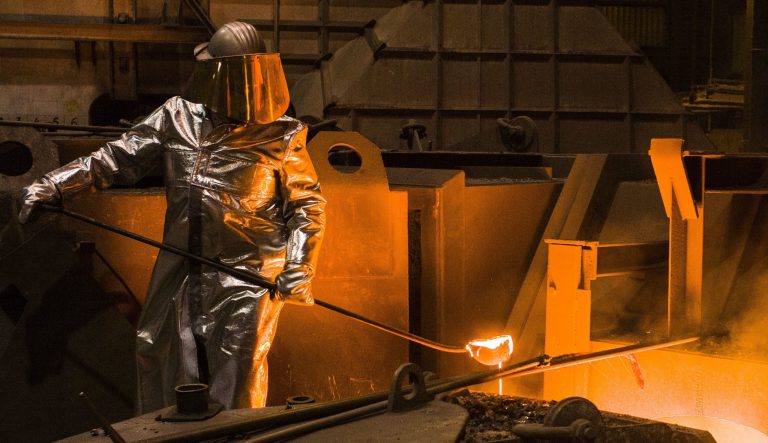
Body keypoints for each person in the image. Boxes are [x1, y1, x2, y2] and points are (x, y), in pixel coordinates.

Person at [18, 22, 325, 413]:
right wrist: (54, 185)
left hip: (248, 276)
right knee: (160, 356)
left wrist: (300, 266)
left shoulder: (280, 136)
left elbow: (306, 206)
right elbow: (115, 158)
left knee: (236, 374)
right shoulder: (175, 118)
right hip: (180, 266)